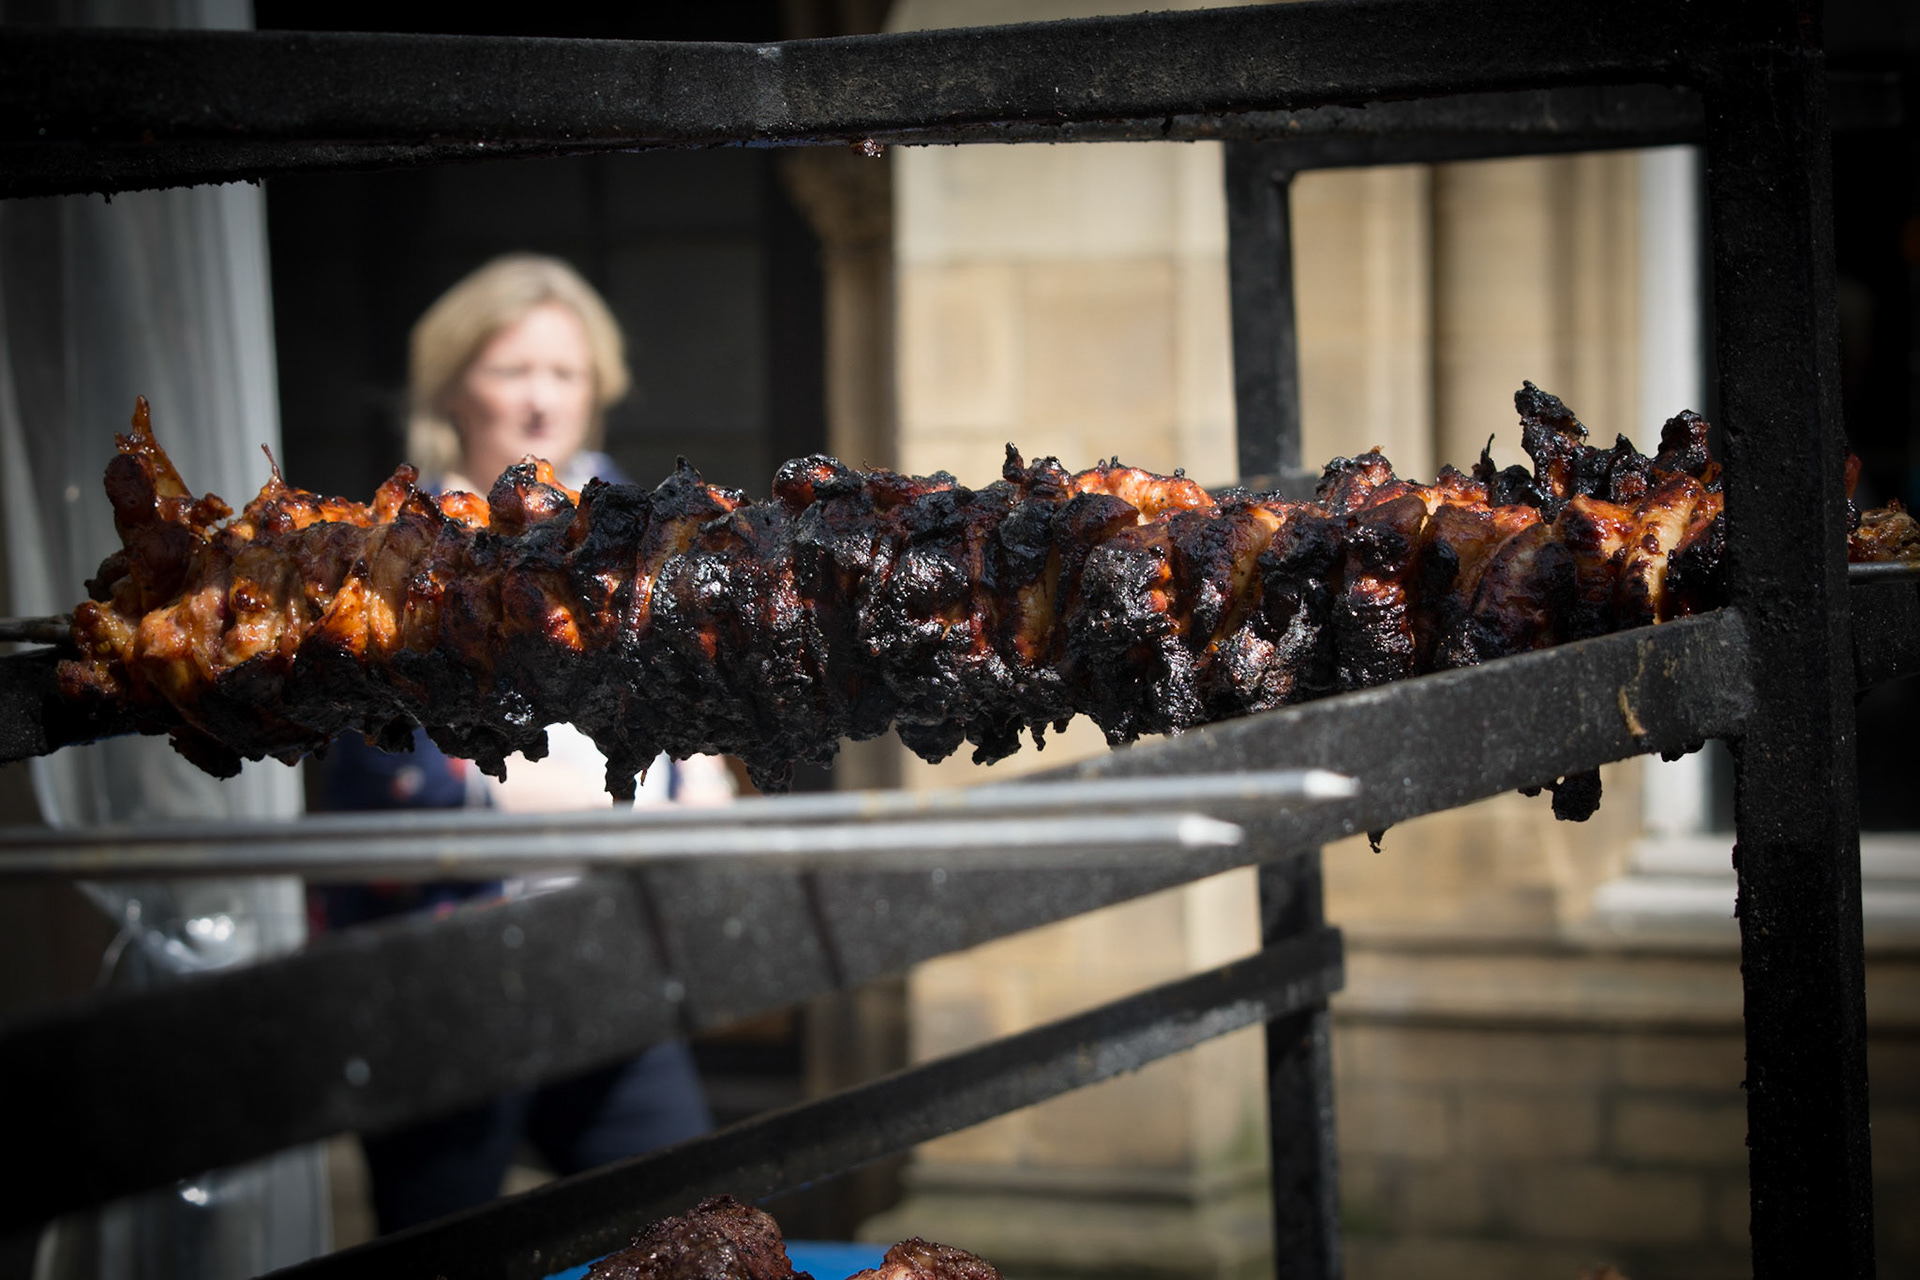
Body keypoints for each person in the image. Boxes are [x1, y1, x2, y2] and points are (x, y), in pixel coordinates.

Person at [316, 254, 728, 1233]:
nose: (542, 400)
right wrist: (626, 802)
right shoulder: (397, 546)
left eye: (565, 373)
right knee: (443, 1242)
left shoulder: (646, 530)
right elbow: (390, 781)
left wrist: (700, 772)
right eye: (513, 370)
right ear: (454, 385)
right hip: (446, 975)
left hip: (614, 954)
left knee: (687, 1219)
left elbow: (695, 722)